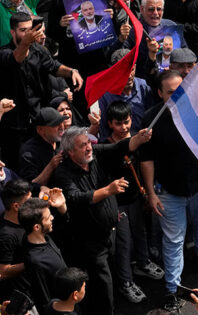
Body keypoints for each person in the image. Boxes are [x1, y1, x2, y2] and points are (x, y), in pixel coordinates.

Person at [140, 70, 198, 313]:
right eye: (172, 92)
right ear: (160, 94)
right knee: (173, 241)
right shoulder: (151, 119)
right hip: (168, 192)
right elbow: (146, 159)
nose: (178, 96)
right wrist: (151, 193)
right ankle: (172, 290)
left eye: (181, 90)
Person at [53, 126, 151, 315]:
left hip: (110, 232)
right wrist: (108, 190)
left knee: (113, 272)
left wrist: (138, 139)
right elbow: (75, 198)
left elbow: (117, 148)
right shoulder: (63, 173)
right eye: (83, 146)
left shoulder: (95, 154)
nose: (89, 147)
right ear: (70, 152)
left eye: (89, 142)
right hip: (90, 241)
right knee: (103, 283)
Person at [0, 13, 83, 170]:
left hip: (39, 121)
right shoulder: (4, 53)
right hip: (15, 127)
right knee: (17, 166)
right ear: (13, 32)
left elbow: (54, 66)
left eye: (30, 30)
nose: (28, 34)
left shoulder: (39, 51)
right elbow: (16, 58)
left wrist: (71, 71)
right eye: (23, 30)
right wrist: (25, 43)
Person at [101, 101, 164, 304]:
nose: (124, 127)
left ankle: (143, 263)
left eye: (126, 122)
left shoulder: (139, 139)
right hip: (117, 205)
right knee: (124, 244)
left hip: (136, 199)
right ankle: (126, 282)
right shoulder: (106, 146)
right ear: (110, 123)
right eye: (118, 123)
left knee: (141, 233)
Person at [110, 0, 187, 80]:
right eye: (151, 9)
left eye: (159, 9)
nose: (155, 13)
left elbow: (185, 51)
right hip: (147, 83)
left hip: (173, 80)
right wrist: (121, 39)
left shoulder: (172, 26)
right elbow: (116, 57)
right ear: (142, 9)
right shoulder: (134, 31)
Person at [19, 196, 67, 314]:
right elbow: (44, 299)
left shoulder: (46, 236)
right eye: (48, 217)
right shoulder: (35, 262)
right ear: (36, 227)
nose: (52, 218)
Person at [99, 49, 154, 140]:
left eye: (131, 70)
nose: (129, 76)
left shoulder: (143, 86)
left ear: (135, 67)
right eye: (123, 72)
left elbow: (152, 117)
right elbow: (104, 133)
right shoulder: (105, 95)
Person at [0, 180, 32, 301]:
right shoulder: (6, 235)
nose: (33, 204)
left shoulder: (23, 220)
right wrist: (31, 262)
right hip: (20, 298)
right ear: (16, 206)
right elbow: (3, 272)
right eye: (28, 201)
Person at [19, 108, 68, 186]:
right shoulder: (29, 152)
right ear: (40, 130)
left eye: (61, 122)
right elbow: (30, 186)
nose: (61, 127)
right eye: (55, 124)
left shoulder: (64, 142)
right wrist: (51, 166)